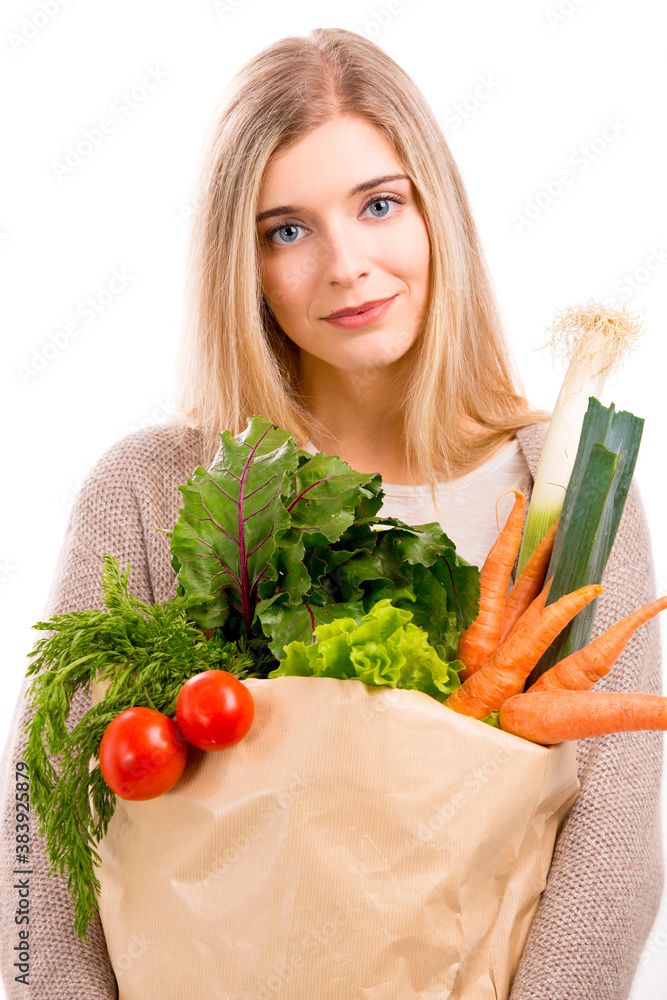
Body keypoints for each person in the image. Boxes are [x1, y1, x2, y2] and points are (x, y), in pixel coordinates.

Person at [0, 26, 662, 1000]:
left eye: (379, 204)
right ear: (244, 262)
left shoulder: (570, 485)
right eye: (287, 229)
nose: (347, 264)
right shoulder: (147, 492)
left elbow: (616, 838)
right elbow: (35, 832)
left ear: (435, 212)